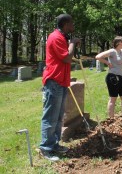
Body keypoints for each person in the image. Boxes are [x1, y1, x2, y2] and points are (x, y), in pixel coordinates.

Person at [40, 14, 81, 161]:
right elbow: (66, 58)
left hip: (62, 82)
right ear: (65, 24)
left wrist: (71, 43)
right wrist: (73, 43)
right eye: (71, 24)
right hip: (54, 81)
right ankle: (46, 148)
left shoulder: (62, 37)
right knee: (50, 116)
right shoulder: (55, 37)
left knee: (58, 117)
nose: (73, 26)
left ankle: (55, 144)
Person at [95, 36, 122, 119]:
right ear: (119, 43)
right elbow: (98, 57)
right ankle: (111, 119)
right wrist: (107, 63)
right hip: (112, 78)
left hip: (121, 77)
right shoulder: (112, 51)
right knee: (113, 99)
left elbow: (121, 63)